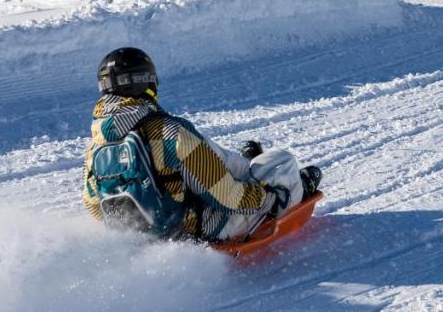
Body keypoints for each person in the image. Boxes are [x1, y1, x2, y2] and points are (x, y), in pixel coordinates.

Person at [82, 47, 321, 242]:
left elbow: (95, 207)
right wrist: (269, 199)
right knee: (282, 162)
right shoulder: (168, 131)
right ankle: (296, 189)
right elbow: (227, 197)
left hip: (146, 240)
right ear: (147, 83)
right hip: (200, 230)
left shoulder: (96, 145)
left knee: (214, 170)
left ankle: (248, 165)